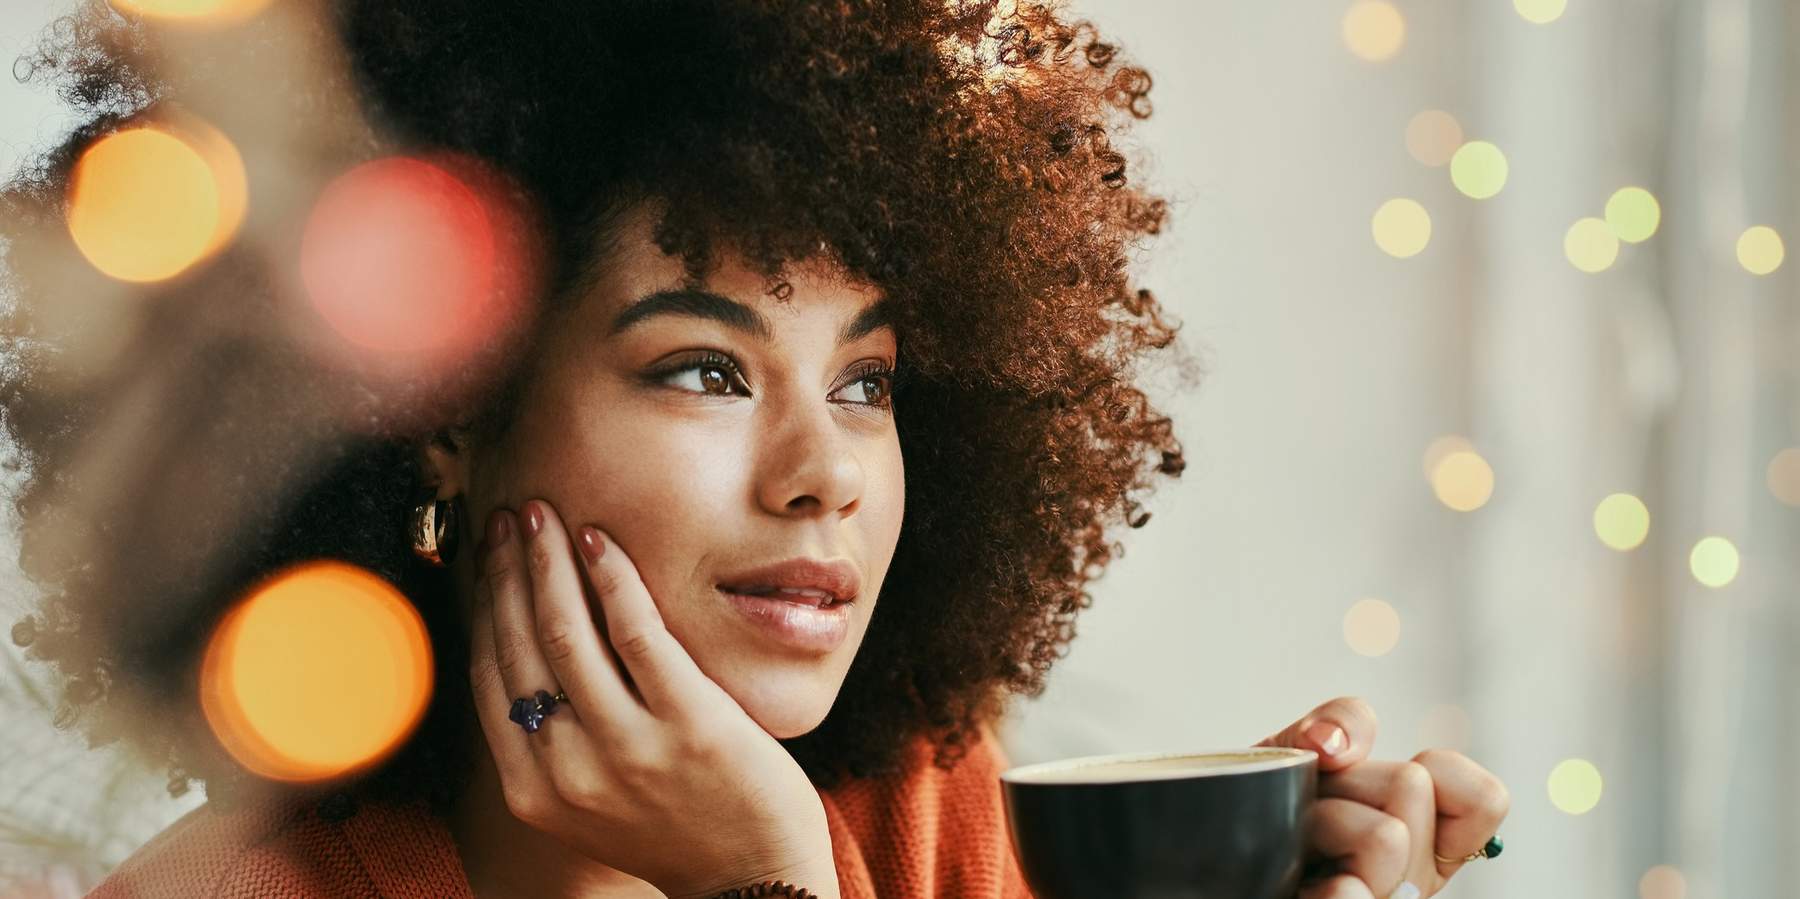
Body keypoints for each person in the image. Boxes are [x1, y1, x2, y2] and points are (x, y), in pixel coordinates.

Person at [0, 1, 1509, 897]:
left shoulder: (929, 809)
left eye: (868, 381)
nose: (826, 472)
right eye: (708, 366)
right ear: (447, 407)